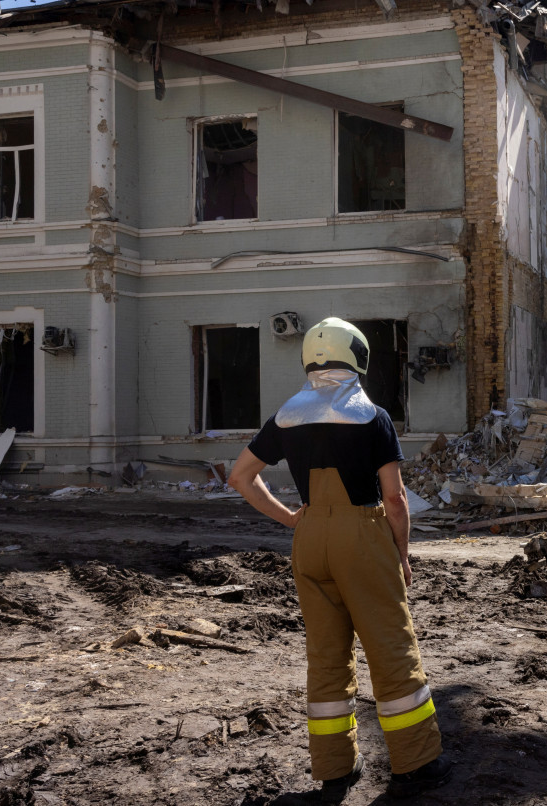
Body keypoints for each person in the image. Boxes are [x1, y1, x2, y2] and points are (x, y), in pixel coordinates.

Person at [228, 317, 450, 801]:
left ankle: (334, 769)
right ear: (358, 357)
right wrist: (402, 554)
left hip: (310, 541)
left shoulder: (285, 416)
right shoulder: (372, 415)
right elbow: (394, 500)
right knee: (390, 647)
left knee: (326, 656)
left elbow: (241, 477)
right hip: (362, 536)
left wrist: (292, 520)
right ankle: (414, 765)